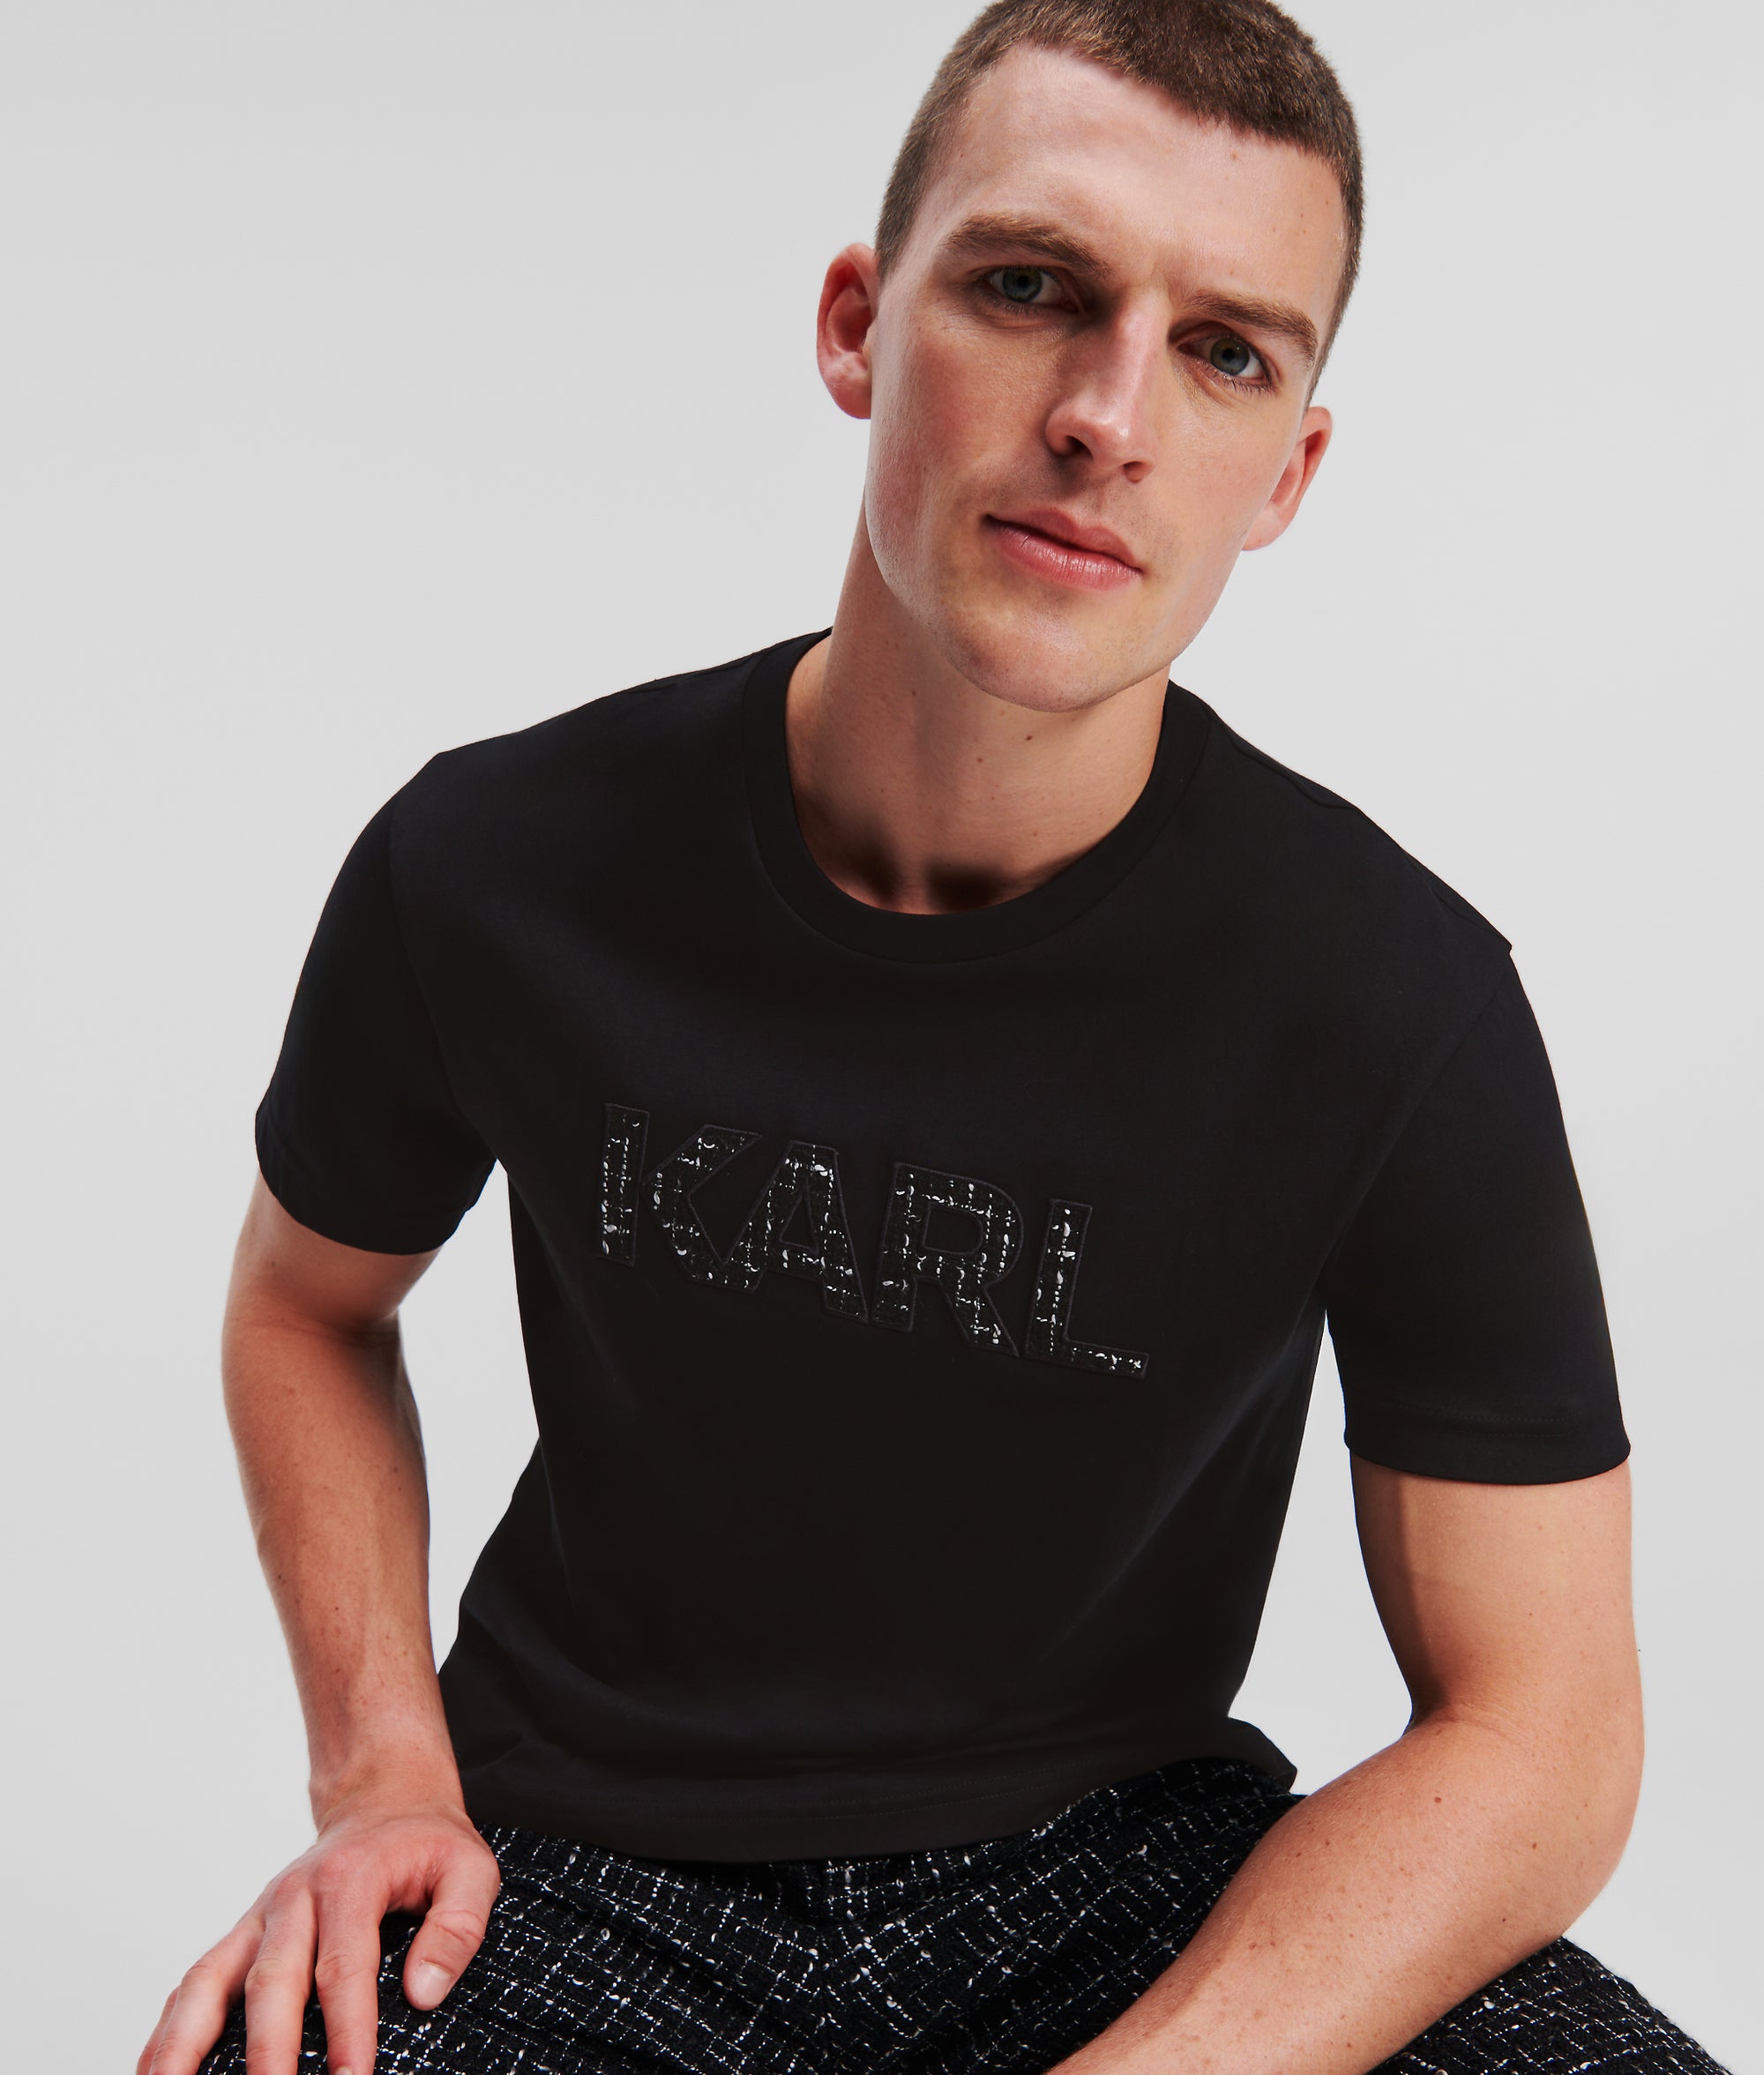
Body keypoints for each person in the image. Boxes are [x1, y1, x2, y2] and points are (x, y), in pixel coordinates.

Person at [138, 3, 1727, 2071]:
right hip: (575, 1865)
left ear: (1286, 471)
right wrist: (381, 1782)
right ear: (856, 325)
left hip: (1124, 1871)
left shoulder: (1393, 1000)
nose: (1106, 417)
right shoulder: (495, 865)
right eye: (1031, 287)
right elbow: (305, 1303)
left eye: (1223, 351)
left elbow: (1544, 1729)